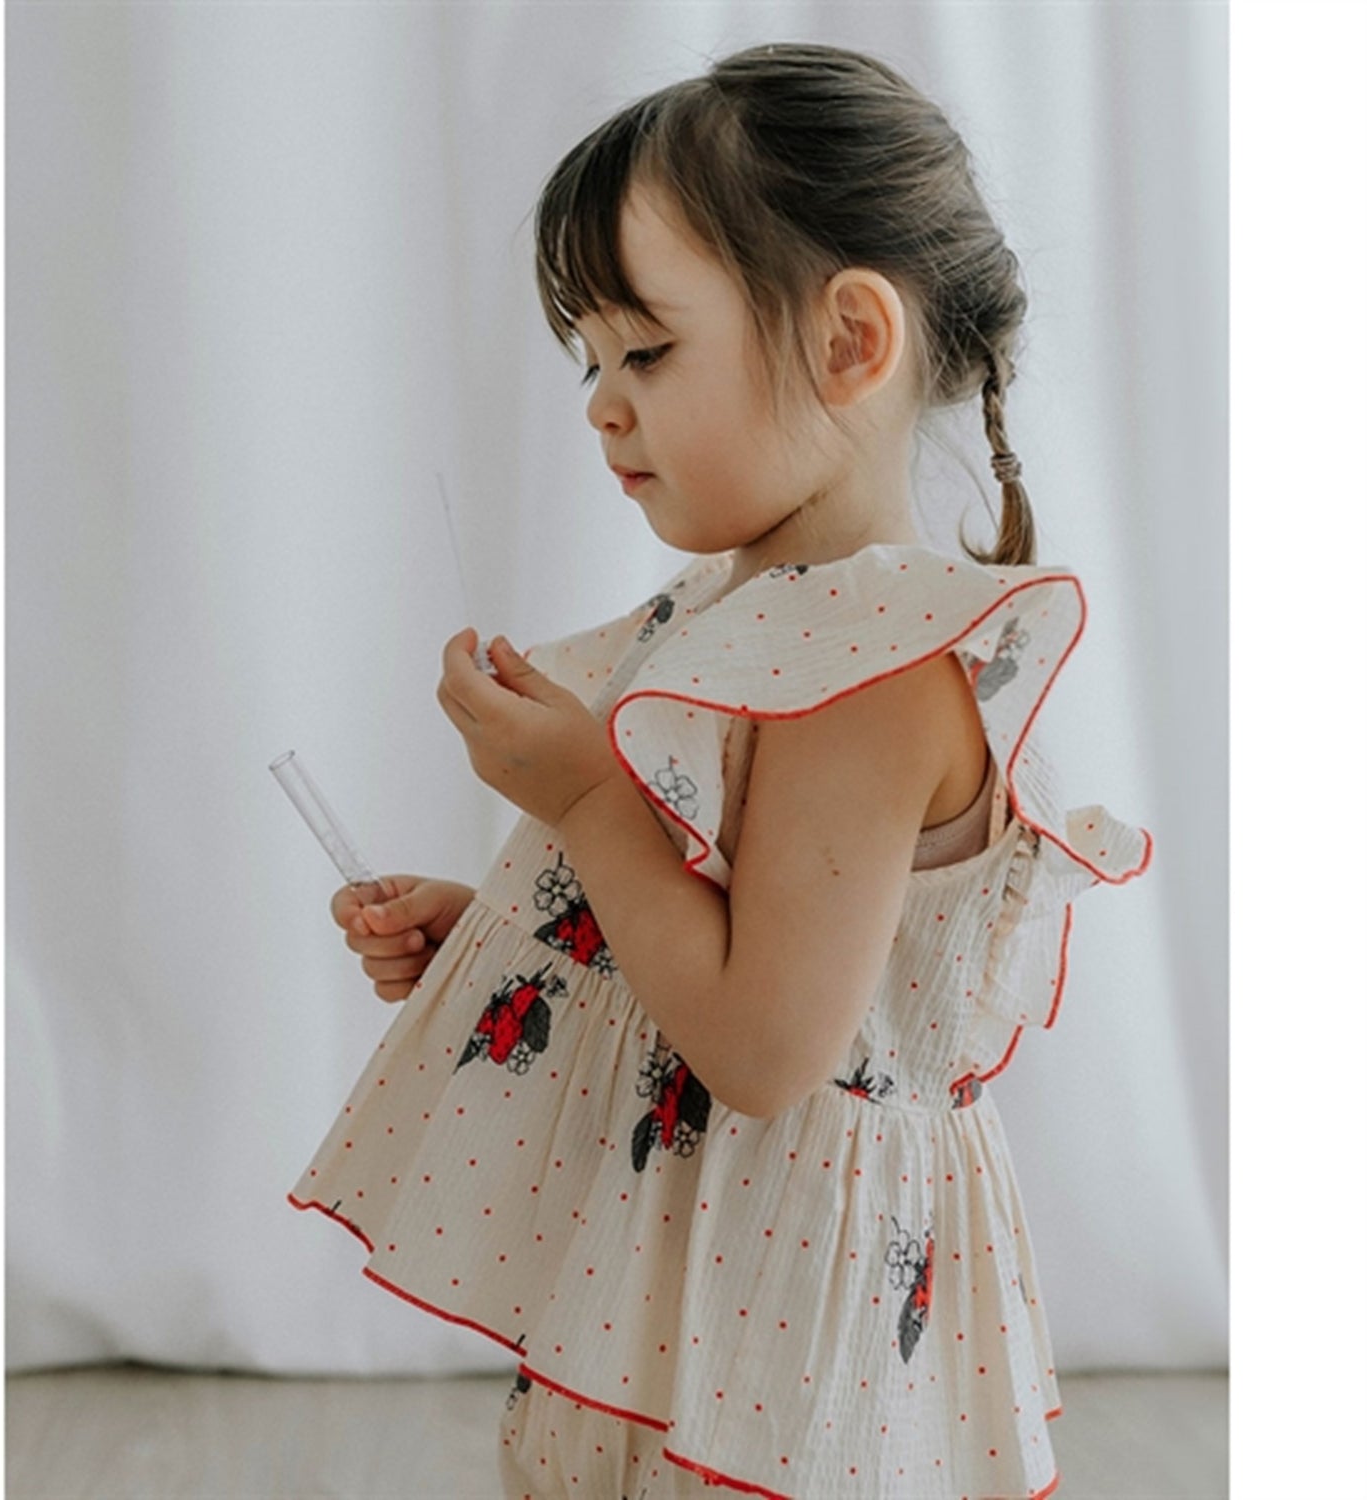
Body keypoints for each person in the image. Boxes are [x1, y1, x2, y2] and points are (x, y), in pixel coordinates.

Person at [288, 41, 1152, 1500]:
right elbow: (719, 941)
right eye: (590, 360)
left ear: (850, 341)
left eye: (647, 352)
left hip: (785, 1340)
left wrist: (583, 801)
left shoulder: (866, 674)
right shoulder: (747, 619)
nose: (601, 404)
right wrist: (512, 934)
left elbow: (763, 1047)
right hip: (699, 1275)